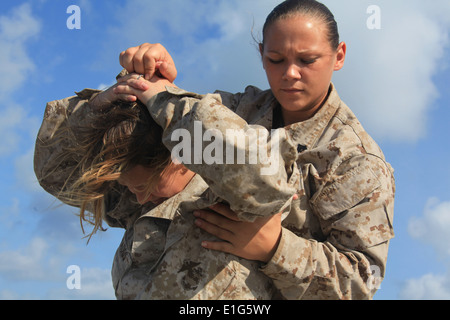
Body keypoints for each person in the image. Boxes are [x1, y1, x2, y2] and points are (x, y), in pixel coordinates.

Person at [113, 0, 395, 299]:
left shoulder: (356, 162)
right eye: (276, 59)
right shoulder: (238, 110)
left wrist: (275, 247)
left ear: (338, 56)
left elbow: (361, 281)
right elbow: (181, 114)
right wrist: (155, 78)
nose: (290, 73)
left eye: (307, 60)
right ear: (261, 55)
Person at [34, 77, 278, 299]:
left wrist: (169, 103)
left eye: (142, 186)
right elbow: (52, 174)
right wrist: (93, 108)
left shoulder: (237, 198)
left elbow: (266, 176)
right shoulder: (135, 203)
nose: (139, 199)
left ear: (180, 155)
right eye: (128, 187)